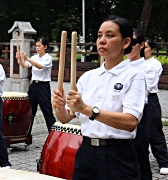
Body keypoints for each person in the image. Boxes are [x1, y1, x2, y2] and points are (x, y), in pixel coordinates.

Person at [51, 15, 146, 180]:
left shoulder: (134, 76)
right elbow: (66, 118)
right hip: (86, 151)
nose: (102, 40)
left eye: (110, 35)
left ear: (126, 42)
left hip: (118, 155)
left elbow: (130, 122)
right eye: (99, 35)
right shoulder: (88, 77)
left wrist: (86, 109)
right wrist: (58, 106)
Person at [127, 29, 159, 180]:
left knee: (140, 156)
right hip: (119, 118)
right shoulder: (121, 66)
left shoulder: (147, 67)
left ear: (141, 46)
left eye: (132, 42)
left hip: (139, 113)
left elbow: (145, 92)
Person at [16, 37, 56, 133]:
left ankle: (54, 136)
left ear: (45, 47)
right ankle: (25, 135)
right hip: (33, 86)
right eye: (36, 46)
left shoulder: (48, 58)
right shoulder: (34, 57)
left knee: (47, 112)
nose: (37, 48)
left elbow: (40, 66)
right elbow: (24, 66)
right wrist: (20, 59)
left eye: (39, 46)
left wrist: (27, 58)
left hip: (43, 87)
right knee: (29, 112)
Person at [144, 38, 168, 175]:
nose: (143, 50)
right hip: (134, 99)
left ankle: (163, 161)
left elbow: (149, 84)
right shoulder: (133, 63)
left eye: (146, 48)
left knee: (154, 131)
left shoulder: (154, 64)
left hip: (150, 99)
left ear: (152, 50)